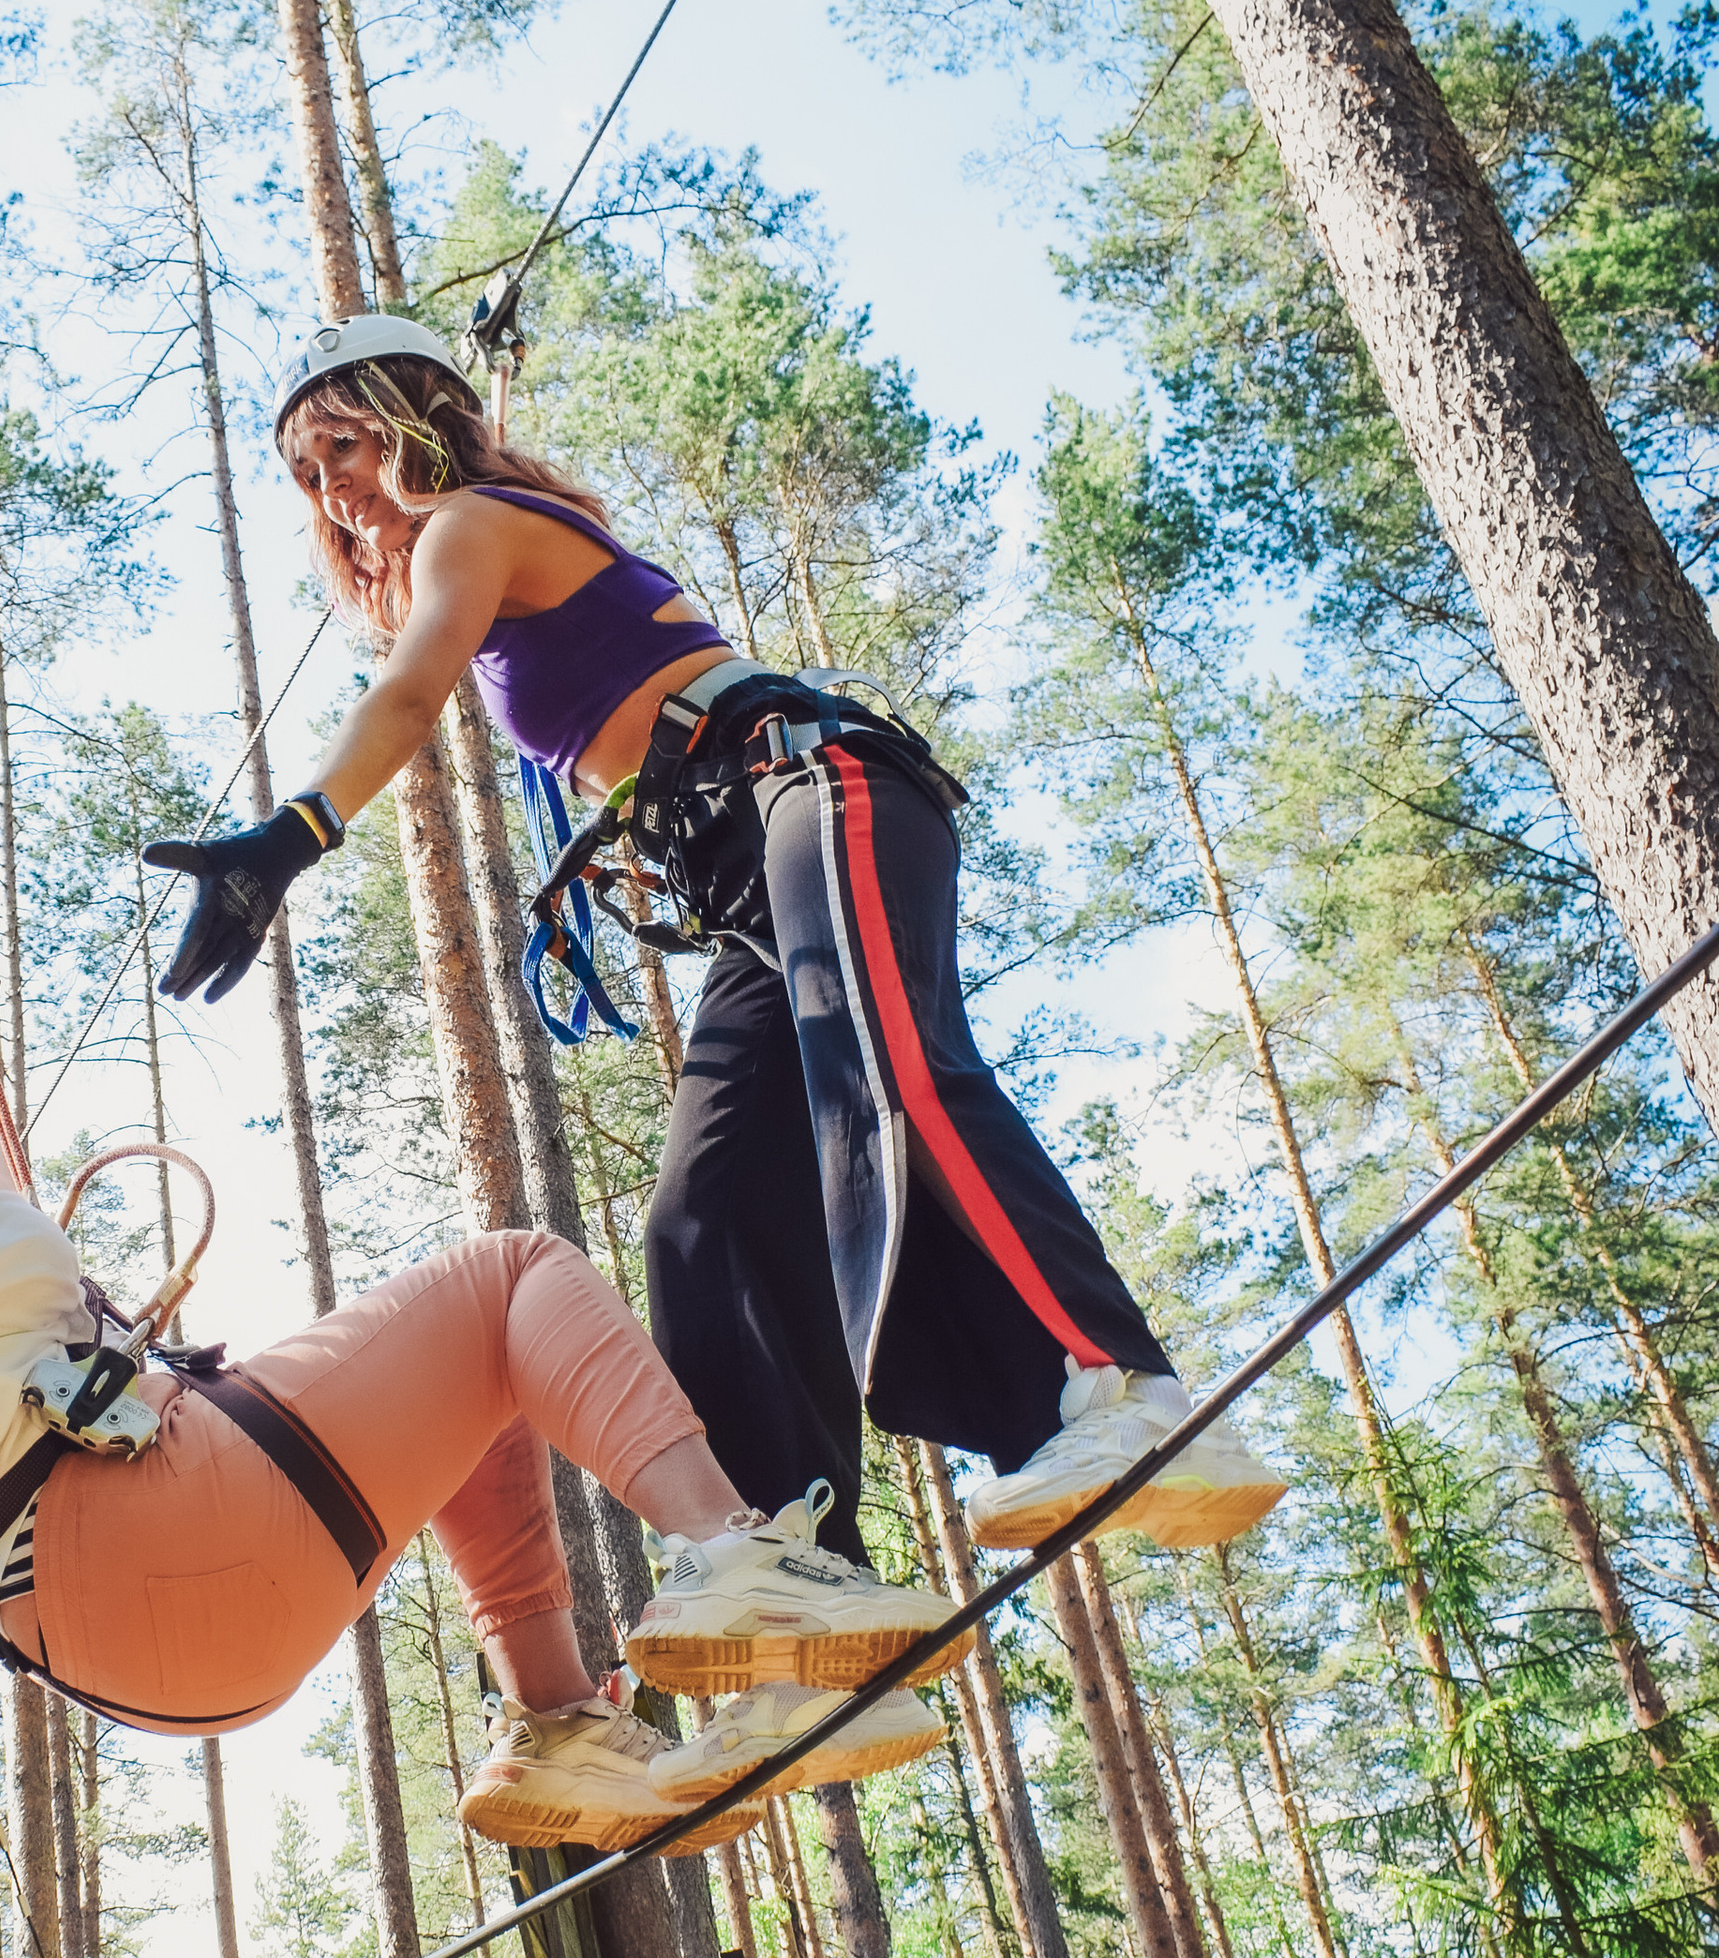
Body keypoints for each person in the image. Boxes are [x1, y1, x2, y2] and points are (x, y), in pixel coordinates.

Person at [145, 315, 1284, 1810]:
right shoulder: (470, 550)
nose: (338, 490)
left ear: (418, 417)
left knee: (877, 1062)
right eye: (309, 476)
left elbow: (411, 693)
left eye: (347, 446)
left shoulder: (473, 525)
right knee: (706, 1218)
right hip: (739, 875)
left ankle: (1109, 1385)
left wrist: (289, 839)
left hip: (810, 782)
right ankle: (801, 1601)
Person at [0, 877, 966, 1856]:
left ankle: (560, 1729)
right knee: (517, 1278)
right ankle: (735, 1561)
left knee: (477, 1388)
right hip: (163, 1527)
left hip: (126, 1631)